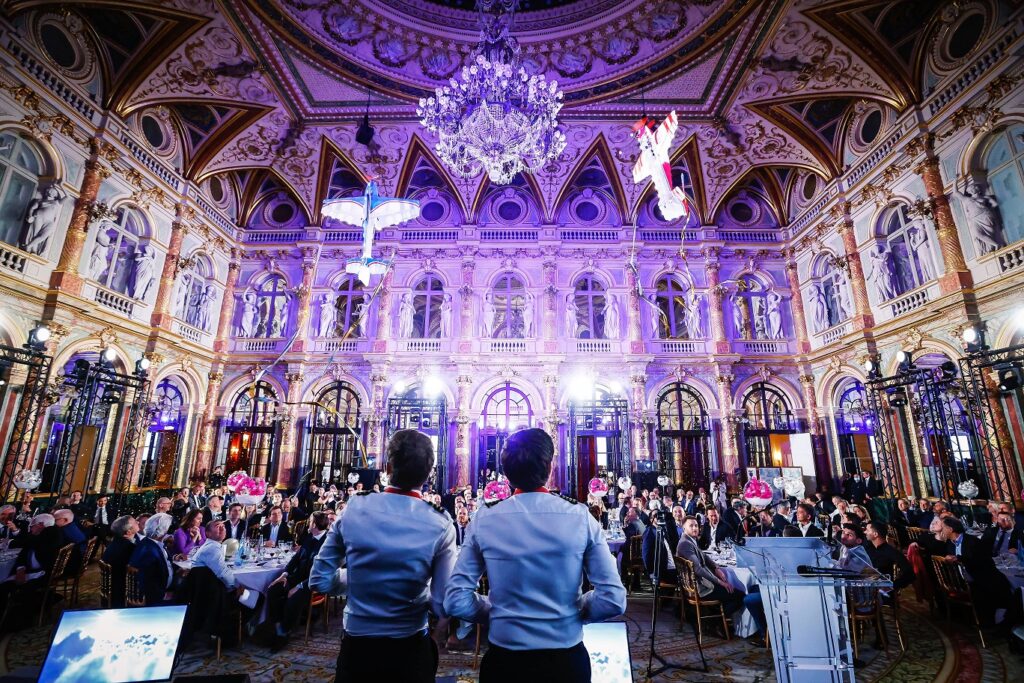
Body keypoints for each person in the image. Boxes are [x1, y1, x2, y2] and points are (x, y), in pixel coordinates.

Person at [445, 429, 625, 682]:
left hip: (505, 662)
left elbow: (455, 599)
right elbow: (613, 599)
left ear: (506, 472)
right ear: (550, 467)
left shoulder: (485, 518)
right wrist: (572, 612)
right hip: (565, 662)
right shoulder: (579, 516)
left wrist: (496, 612)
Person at [310, 429, 457, 683]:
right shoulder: (440, 522)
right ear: (429, 472)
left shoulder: (355, 508)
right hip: (410, 647)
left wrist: (359, 579)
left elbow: (319, 581)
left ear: (387, 467)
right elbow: (441, 604)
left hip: (358, 648)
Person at [266, 511, 331, 650]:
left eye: (310, 521)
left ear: (314, 524)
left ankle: (284, 633)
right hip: (297, 577)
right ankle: (277, 626)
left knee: (293, 598)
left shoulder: (328, 543)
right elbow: (296, 558)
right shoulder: (309, 536)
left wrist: (300, 586)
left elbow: (320, 573)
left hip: (313, 582)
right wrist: (284, 575)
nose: (308, 523)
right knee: (273, 590)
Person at [938, 516, 1013, 625]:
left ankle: (1001, 620)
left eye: (943, 527)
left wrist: (959, 558)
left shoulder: (972, 541)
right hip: (961, 582)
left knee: (1000, 582)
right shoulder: (949, 544)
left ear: (950, 529)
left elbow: (982, 561)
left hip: (978, 576)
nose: (942, 530)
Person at [675, 516, 744, 617]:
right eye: (691, 526)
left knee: (729, 589)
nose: (694, 528)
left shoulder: (689, 540)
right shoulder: (685, 544)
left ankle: (716, 615)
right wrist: (720, 582)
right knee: (740, 595)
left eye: (696, 526)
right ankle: (718, 619)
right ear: (684, 528)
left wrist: (716, 568)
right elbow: (698, 569)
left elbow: (704, 556)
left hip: (698, 584)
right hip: (700, 588)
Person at [129, 513, 175, 605]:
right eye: (168, 528)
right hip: (157, 598)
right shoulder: (149, 551)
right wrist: (163, 595)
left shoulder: (150, 543)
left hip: (163, 586)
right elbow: (147, 582)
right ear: (162, 530)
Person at [864, 521, 914, 592]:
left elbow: (910, 574)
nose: (865, 532)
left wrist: (892, 585)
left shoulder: (891, 552)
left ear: (875, 534)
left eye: (867, 530)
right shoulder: (868, 548)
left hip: (883, 594)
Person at [102, 515, 138, 607]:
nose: (137, 522)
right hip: (121, 592)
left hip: (111, 588)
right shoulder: (129, 548)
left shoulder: (115, 543)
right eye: (135, 522)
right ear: (128, 532)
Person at [191, 520, 237, 590]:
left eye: (223, 526)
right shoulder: (212, 548)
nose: (222, 528)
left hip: (207, 588)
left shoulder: (212, 545)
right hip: (210, 591)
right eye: (218, 526)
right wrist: (237, 586)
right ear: (208, 533)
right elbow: (223, 574)